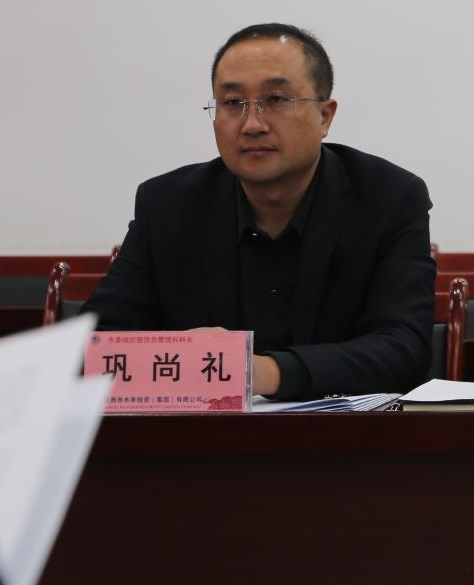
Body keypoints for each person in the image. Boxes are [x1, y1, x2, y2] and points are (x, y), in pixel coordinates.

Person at [83, 24, 435, 400]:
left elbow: (404, 349)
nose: (252, 124)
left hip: (339, 433)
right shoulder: (168, 205)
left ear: (324, 116)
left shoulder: (389, 199)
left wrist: (260, 371)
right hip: (204, 434)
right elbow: (94, 345)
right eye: (233, 103)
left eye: (277, 99)